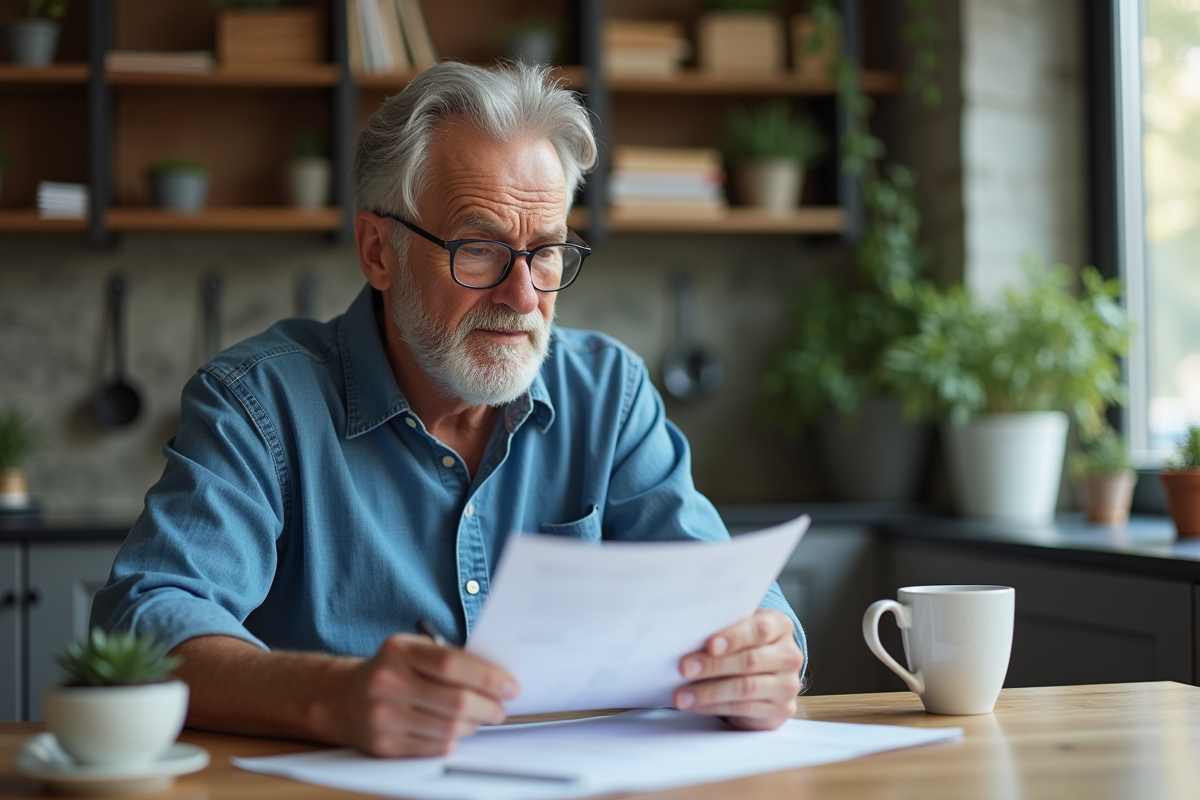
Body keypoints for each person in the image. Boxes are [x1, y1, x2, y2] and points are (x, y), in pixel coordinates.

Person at [91, 62, 806, 757]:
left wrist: (763, 650)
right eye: (479, 248)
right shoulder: (257, 403)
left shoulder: (608, 392)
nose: (523, 296)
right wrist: (331, 696)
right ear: (379, 251)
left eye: (546, 251)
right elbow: (147, 621)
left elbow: (724, 590)